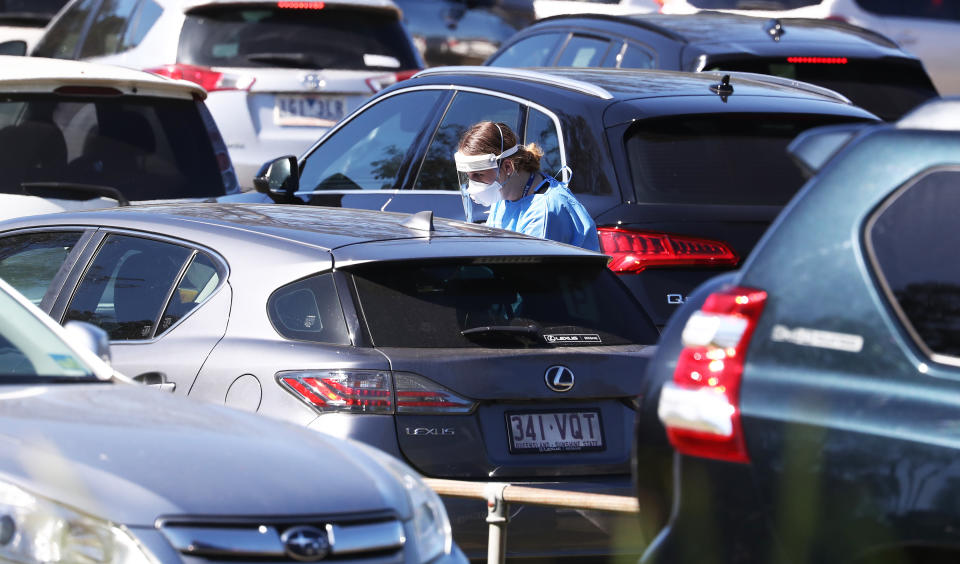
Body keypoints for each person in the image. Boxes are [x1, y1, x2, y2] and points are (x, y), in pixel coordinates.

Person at [454, 121, 600, 251]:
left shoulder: (543, 211)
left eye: (479, 175)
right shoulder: (504, 196)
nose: (472, 185)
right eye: (468, 176)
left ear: (507, 167)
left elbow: (528, 276)